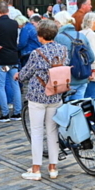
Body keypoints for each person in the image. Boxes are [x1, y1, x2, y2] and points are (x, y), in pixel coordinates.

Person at [18, 19, 68, 180]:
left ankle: (36, 169)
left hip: (38, 96)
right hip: (56, 94)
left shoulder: (37, 53)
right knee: (53, 131)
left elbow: (25, 74)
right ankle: (53, 168)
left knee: (37, 132)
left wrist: (18, 75)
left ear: (40, 36)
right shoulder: (63, 50)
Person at [0, 2, 23, 122]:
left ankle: (5, 113)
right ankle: (17, 112)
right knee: (15, 85)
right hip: (13, 58)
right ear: (8, 11)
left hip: (1, 59)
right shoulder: (14, 23)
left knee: (0, 86)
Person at [54, 10, 95, 101]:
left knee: (66, 109)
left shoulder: (58, 37)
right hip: (82, 78)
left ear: (59, 23)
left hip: (68, 81)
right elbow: (91, 58)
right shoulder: (81, 35)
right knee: (77, 107)